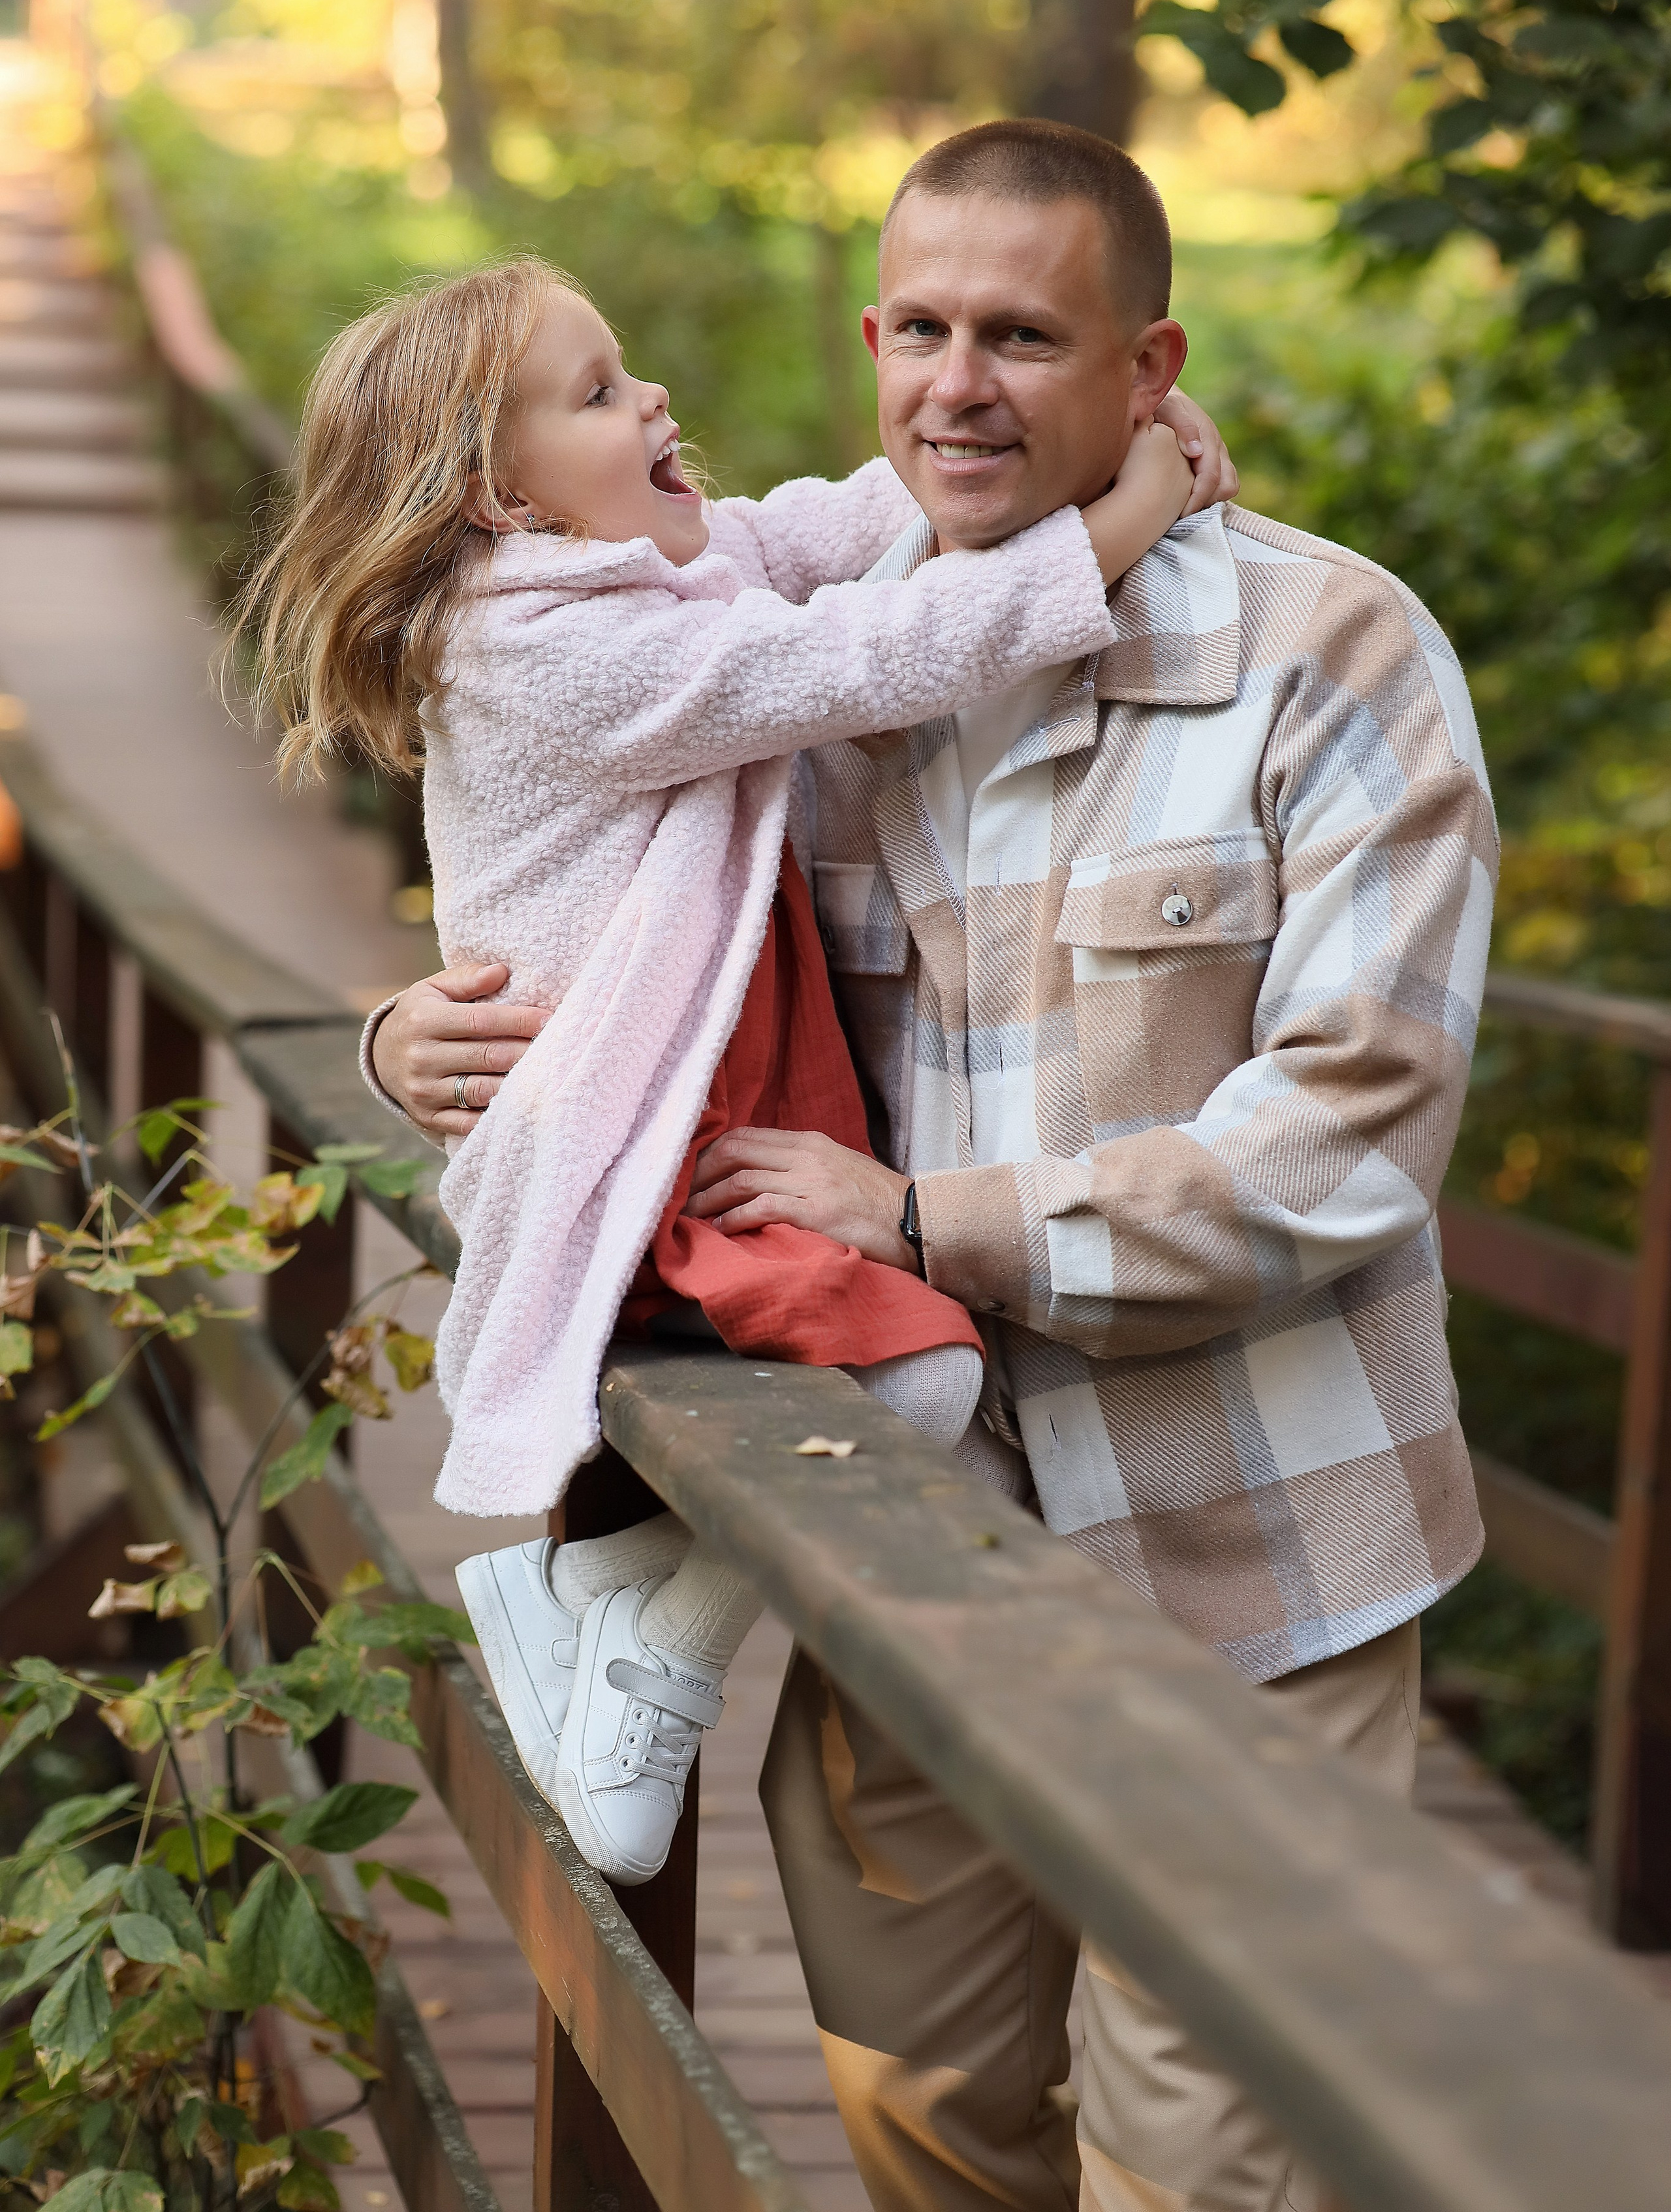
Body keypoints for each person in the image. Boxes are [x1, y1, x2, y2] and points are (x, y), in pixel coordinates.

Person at [367, 121, 1495, 2212]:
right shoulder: (804, 633)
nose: (957, 384)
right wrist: (414, 1028)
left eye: (1026, 337)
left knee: (1203, 2175)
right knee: (922, 2127)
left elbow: (1350, 1141)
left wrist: (926, 1225)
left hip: (1254, 1551)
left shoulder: (1329, 659)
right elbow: (615, 911)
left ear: (1148, 368)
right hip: (911, 1553)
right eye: (922, 330)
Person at [238, 249, 1219, 1891]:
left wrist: (1084, 435)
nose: (654, 400)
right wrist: (1117, 526)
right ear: (501, 498)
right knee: (916, 1379)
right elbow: (867, 658)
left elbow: (836, 529)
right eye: (603, 393)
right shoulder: (542, 651)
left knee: (901, 1372)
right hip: (632, 1142)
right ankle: (635, 1634)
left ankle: (613, 1608)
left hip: (708, 1111)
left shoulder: (647, 579)